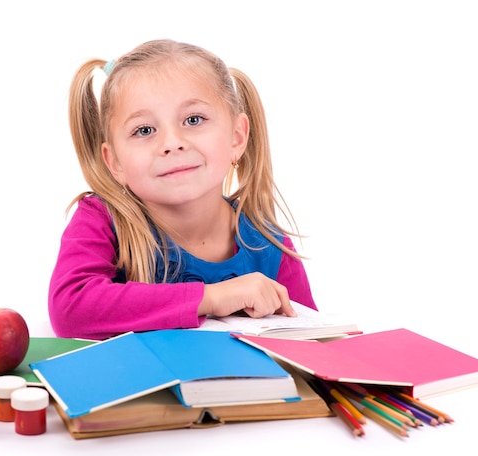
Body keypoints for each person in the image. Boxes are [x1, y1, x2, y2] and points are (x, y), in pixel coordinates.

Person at [49, 39, 316, 340]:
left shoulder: (270, 247)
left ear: (237, 138)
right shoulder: (102, 220)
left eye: (193, 120)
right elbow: (71, 309)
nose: (171, 143)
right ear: (115, 162)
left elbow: (311, 346)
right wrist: (211, 298)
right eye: (144, 130)